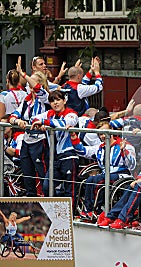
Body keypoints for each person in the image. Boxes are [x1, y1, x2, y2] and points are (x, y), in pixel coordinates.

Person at [71, 120, 136, 219]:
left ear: (112, 131)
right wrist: (74, 138)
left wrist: (124, 151)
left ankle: (95, 209)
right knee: (89, 180)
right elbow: (84, 151)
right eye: (100, 134)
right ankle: (88, 210)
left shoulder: (125, 145)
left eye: (105, 132)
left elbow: (132, 165)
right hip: (106, 175)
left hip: (122, 175)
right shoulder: (100, 147)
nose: (103, 136)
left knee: (98, 180)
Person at [9, 64, 50, 197]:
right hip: (27, 140)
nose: (29, 86)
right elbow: (12, 116)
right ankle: (31, 201)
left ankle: (48, 200)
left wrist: (24, 74)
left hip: (40, 140)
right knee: (27, 173)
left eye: (31, 82)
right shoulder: (26, 101)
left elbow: (38, 89)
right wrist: (18, 121)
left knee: (43, 173)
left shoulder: (45, 98)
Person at [31, 90, 79, 202]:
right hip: (55, 158)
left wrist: (44, 122)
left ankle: (69, 217)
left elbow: (64, 123)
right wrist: (41, 123)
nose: (55, 103)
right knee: (47, 187)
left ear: (64, 100)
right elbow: (33, 118)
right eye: (52, 101)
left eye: (58, 100)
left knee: (70, 191)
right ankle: (56, 212)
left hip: (69, 157)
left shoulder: (72, 113)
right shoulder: (49, 114)